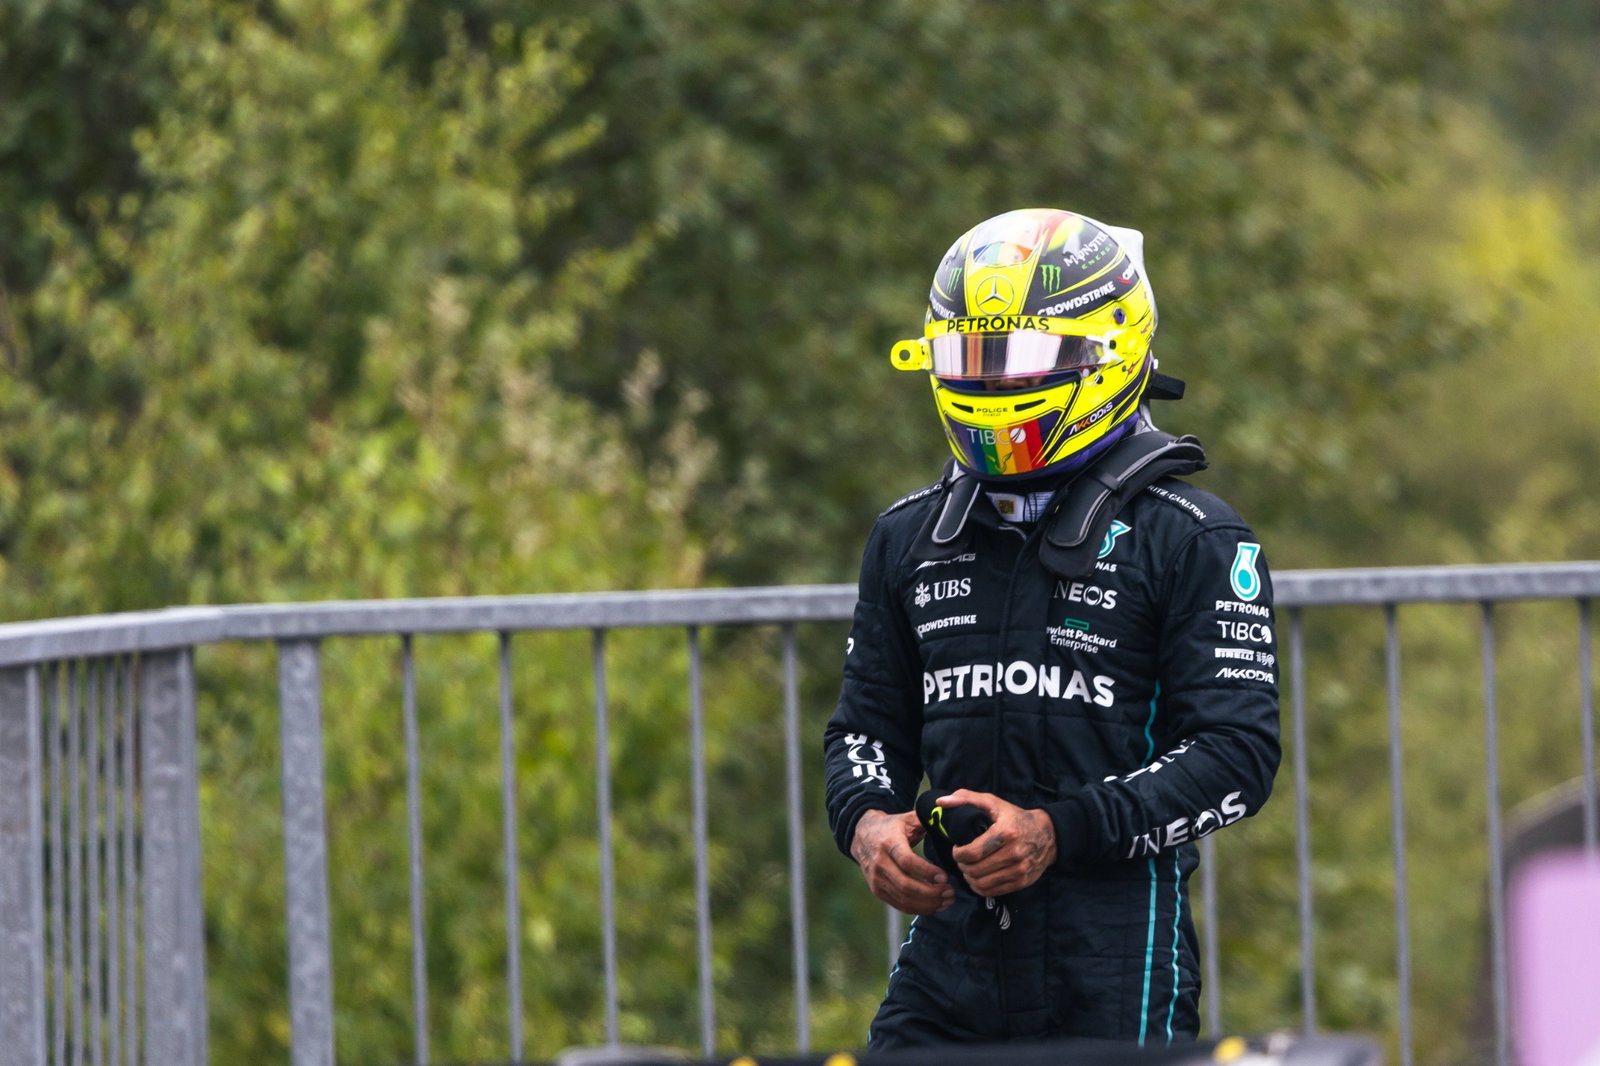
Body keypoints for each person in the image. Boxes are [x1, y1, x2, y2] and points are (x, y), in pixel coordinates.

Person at [821, 208, 1282, 1049]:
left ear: (1107, 350)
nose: (992, 385)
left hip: (1114, 957)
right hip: (947, 960)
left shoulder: (1192, 535)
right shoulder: (907, 536)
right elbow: (862, 731)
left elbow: (1237, 755)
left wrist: (1057, 832)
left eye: (1017, 360)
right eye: (968, 360)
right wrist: (869, 825)